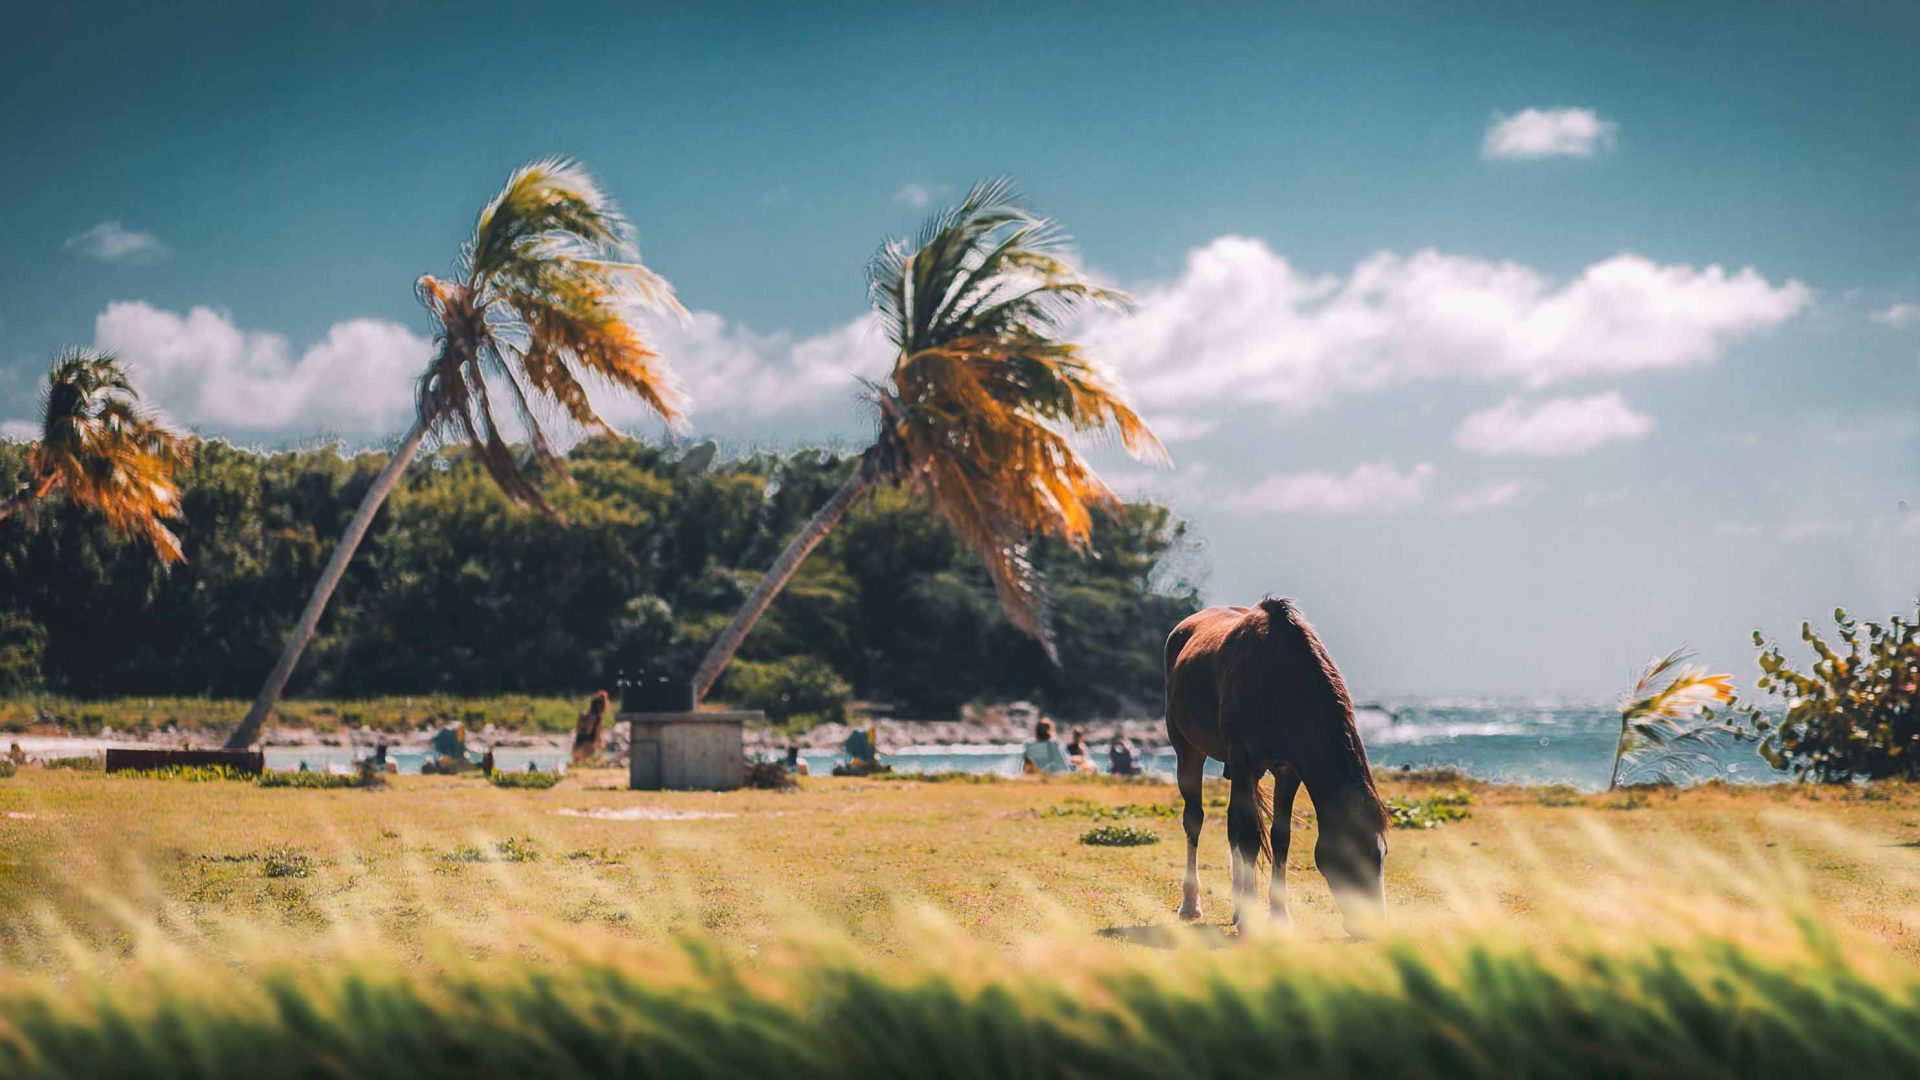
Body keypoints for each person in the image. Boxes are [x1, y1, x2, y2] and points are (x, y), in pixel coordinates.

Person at [573, 691, 610, 764]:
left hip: (575, 748)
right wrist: (603, 747)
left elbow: (577, 730)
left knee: (576, 767)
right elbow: (597, 739)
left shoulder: (582, 715)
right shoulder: (597, 719)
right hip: (586, 751)